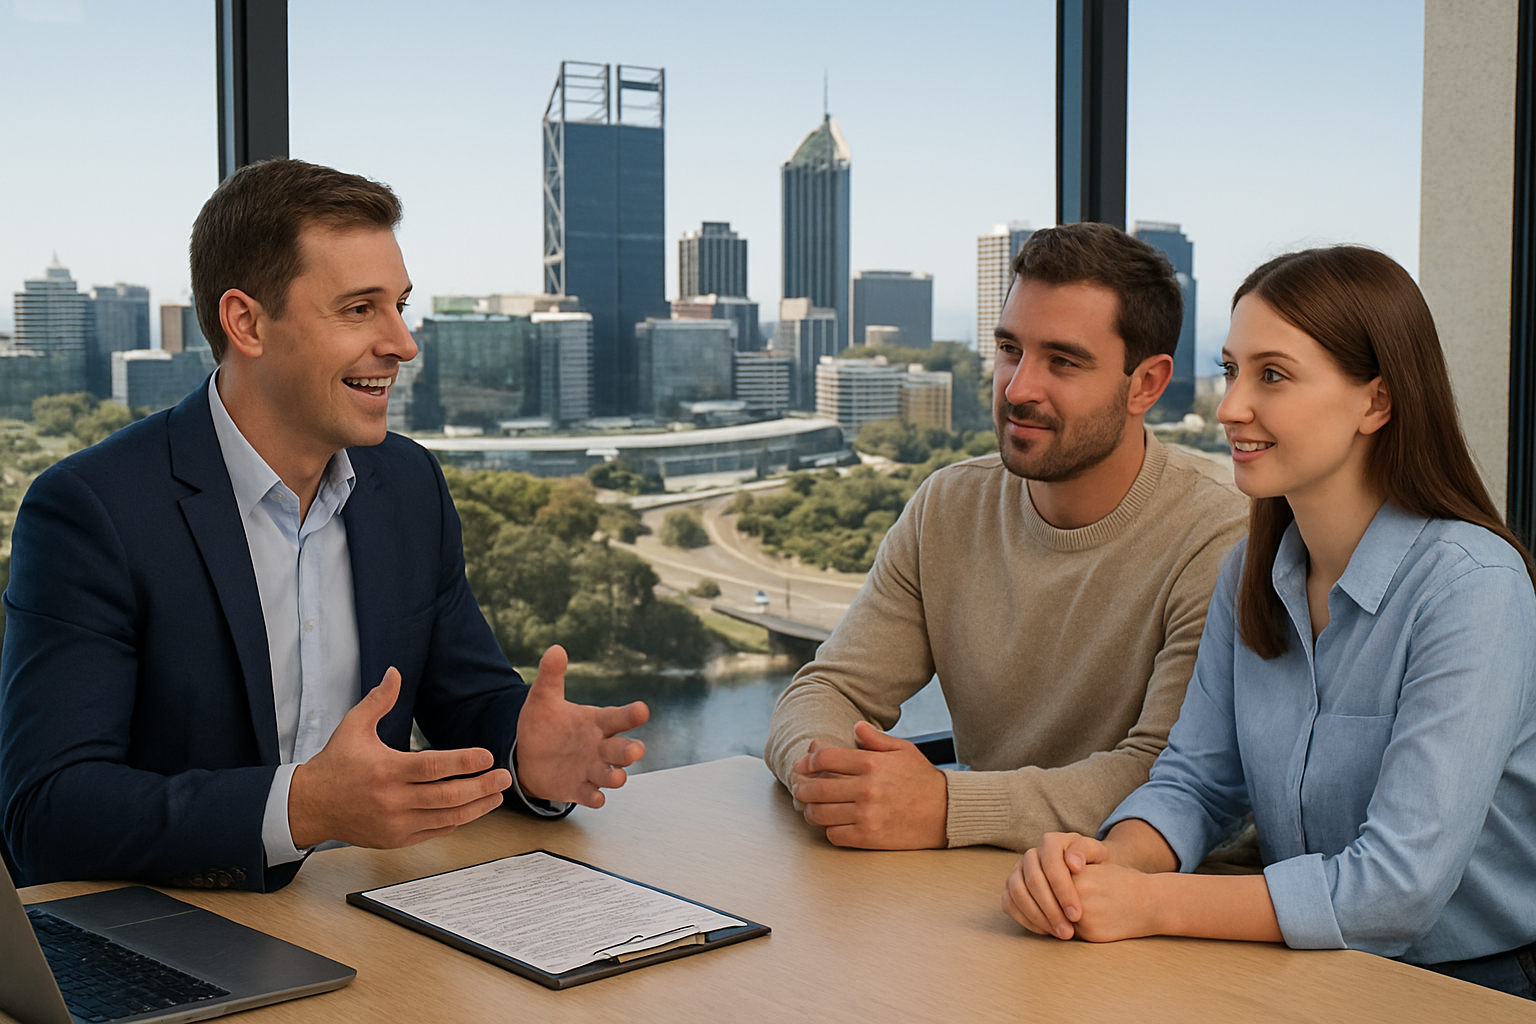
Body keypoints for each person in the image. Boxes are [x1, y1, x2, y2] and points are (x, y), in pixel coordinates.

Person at [0, 159, 649, 893]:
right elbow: (46, 814)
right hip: (175, 936)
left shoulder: (409, 486)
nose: (403, 344)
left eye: (400, 305)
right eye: (359, 309)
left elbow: (466, 703)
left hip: (372, 918)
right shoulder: (92, 511)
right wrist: (301, 809)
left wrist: (526, 754)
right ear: (246, 322)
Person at [1001, 246, 1536, 999]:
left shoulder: (1473, 589)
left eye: (1272, 376)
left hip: (1472, 986)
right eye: (1230, 370)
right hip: (1309, 969)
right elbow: (1196, 783)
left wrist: (1152, 903)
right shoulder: (1249, 572)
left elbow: (1398, 889)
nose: (1229, 407)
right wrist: (1104, 867)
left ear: (1376, 402)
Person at [763, 223, 1247, 852]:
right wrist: (831, 778)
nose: (1019, 389)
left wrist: (945, 806)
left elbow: (1166, 780)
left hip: (1162, 904)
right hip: (982, 884)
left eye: (1063, 362)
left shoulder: (1221, 533)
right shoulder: (948, 505)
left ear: (1147, 385)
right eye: (1010, 349)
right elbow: (829, 689)